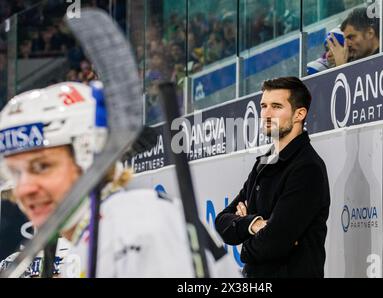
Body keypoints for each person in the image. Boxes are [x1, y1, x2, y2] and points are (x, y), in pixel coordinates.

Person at [0, 81, 238, 278]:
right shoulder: (101, 231)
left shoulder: (138, 228)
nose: (24, 189)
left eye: (42, 166)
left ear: (91, 156)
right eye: (15, 173)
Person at [215, 77, 331, 278]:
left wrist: (244, 236)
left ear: (299, 114)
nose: (266, 114)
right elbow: (222, 222)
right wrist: (255, 224)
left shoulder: (307, 168)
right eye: (263, 106)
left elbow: (273, 243)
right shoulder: (263, 163)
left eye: (276, 106)